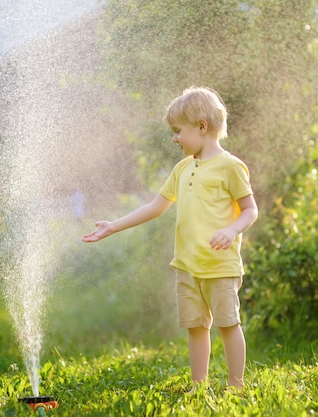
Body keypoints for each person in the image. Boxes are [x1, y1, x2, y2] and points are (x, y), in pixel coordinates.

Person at [82, 86, 258, 392]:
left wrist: (231, 231)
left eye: (178, 131)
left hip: (220, 266)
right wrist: (114, 226)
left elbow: (250, 210)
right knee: (195, 327)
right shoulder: (182, 168)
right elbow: (155, 206)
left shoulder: (230, 166)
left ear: (202, 127)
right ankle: (198, 386)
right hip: (187, 265)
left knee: (228, 325)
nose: (174, 138)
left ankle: (236, 385)